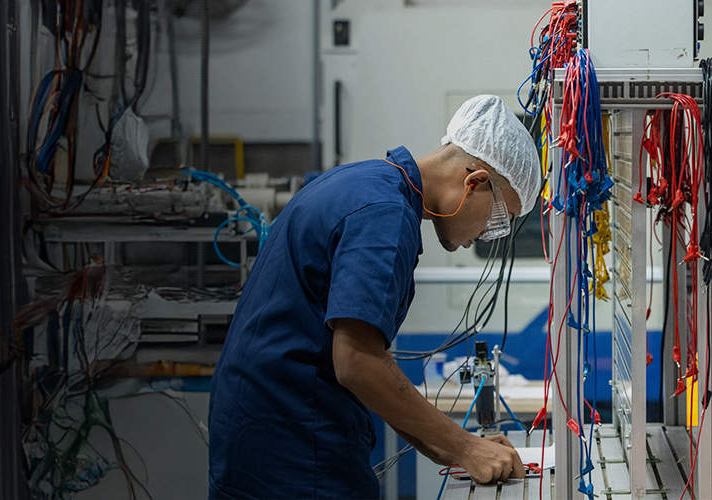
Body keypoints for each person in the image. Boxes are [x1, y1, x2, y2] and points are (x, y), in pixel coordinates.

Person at [206, 95, 544, 499]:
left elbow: (366, 363)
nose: (488, 235)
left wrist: (451, 445)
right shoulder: (385, 216)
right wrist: (466, 446)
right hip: (292, 447)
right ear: (474, 183)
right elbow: (357, 363)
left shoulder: (367, 183)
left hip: (262, 434)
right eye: (499, 219)